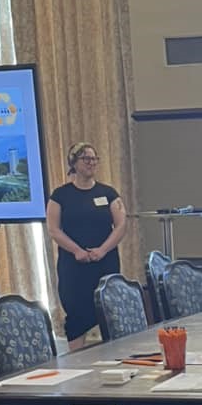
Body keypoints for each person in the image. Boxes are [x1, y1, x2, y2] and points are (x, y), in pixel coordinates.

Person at [46, 142, 127, 350]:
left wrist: (102, 250)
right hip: (74, 265)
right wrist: (77, 251)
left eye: (94, 159)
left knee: (109, 310)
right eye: (86, 159)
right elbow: (54, 229)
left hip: (104, 261)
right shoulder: (60, 195)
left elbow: (120, 225)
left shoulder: (108, 193)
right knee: (77, 313)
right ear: (73, 163)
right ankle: (77, 362)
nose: (91, 163)